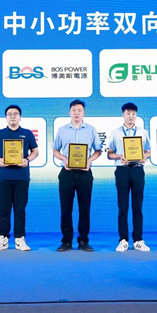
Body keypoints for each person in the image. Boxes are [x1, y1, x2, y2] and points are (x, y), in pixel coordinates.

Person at [52, 100, 102, 252]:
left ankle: (83, 240)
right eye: (73, 110)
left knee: (84, 208)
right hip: (67, 173)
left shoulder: (91, 130)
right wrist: (64, 158)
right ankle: (66, 241)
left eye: (79, 110)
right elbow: (55, 150)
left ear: (84, 113)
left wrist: (89, 160)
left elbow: (98, 150)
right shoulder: (62, 130)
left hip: (85, 173)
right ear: (69, 112)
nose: (76, 113)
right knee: (66, 209)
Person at [0, 105, 39, 252]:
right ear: (6, 117)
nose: (12, 116)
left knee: (20, 209)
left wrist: (27, 159)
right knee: (4, 209)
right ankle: (3, 238)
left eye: (15, 114)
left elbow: (35, 151)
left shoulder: (27, 134)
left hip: (22, 177)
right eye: (9, 114)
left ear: (20, 117)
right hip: (3, 177)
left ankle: (19, 239)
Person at [107, 102, 151, 253]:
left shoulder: (143, 132)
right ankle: (123, 240)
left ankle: (138, 240)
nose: (131, 116)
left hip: (138, 170)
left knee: (137, 206)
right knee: (123, 206)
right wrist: (119, 156)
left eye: (133, 114)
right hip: (122, 171)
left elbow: (148, 151)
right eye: (128, 113)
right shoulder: (115, 132)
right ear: (123, 114)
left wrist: (144, 156)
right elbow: (109, 154)